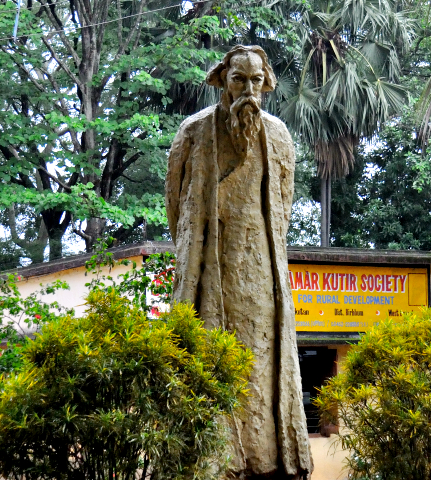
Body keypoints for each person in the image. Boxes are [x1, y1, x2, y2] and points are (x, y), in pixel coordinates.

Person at [165, 45, 311, 480]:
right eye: (238, 80)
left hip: (262, 273)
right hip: (209, 275)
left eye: (254, 81)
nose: (248, 90)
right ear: (222, 82)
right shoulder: (193, 132)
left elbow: (283, 207)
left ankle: (268, 458)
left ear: (265, 84)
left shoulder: (278, 134)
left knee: (263, 367)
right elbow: (175, 205)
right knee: (210, 360)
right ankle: (214, 459)